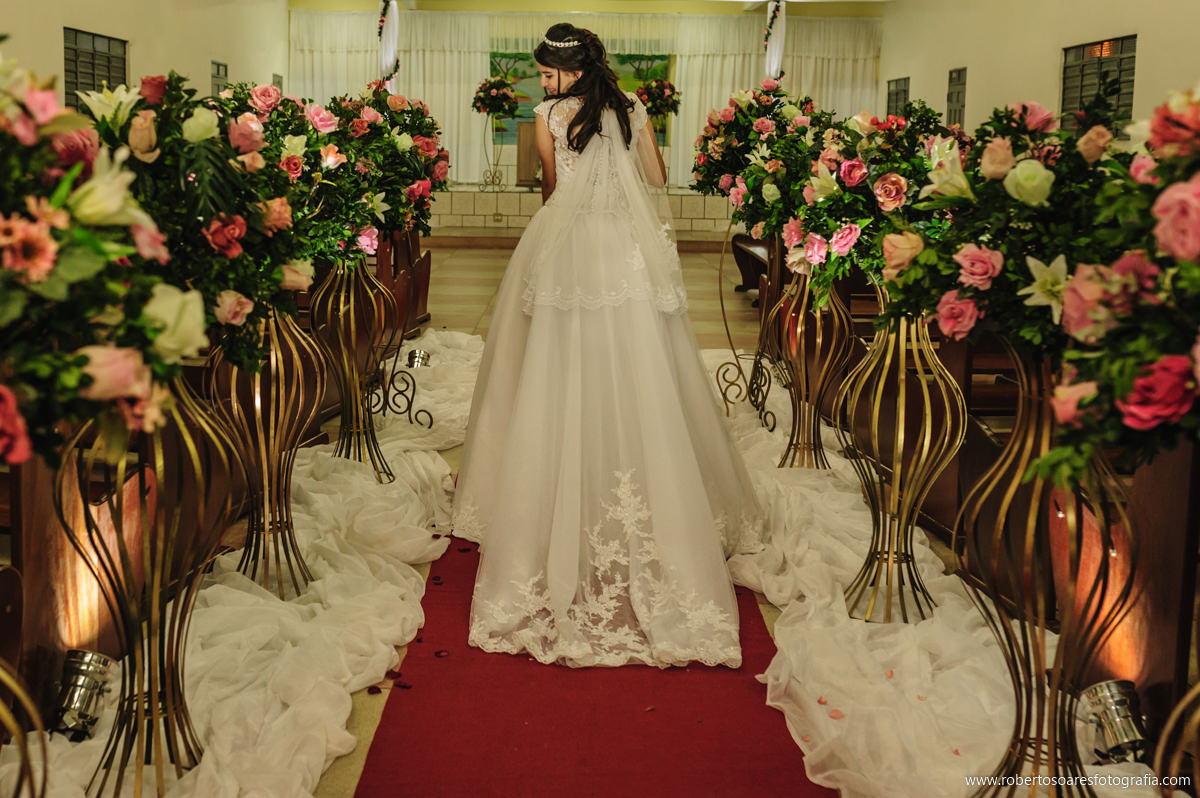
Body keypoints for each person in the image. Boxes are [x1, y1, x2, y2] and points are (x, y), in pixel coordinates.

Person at [451, 22, 762, 669]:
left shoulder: (548, 116)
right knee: (639, 361)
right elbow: (654, 177)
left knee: (553, 359)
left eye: (547, 72)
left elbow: (552, 188)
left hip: (569, 244)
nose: (541, 81)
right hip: (624, 250)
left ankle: (560, 474)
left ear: (569, 70)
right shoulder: (631, 109)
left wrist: (552, 233)